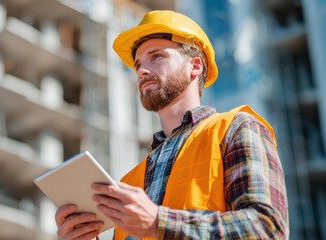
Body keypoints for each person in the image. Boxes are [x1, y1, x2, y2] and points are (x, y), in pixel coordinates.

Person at [55, 10, 289, 240]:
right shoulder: (129, 182)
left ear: (195, 66)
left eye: (156, 56)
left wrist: (158, 223)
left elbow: (267, 228)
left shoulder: (235, 129)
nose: (142, 71)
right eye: (138, 65)